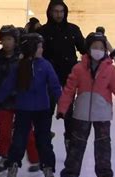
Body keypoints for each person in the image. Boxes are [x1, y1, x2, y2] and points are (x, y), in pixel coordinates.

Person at [57, 32, 115, 177]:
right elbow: (69, 90)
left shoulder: (110, 70)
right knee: (76, 145)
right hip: (81, 113)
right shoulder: (78, 68)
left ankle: (105, 175)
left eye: (101, 47)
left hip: (102, 114)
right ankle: (70, 172)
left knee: (103, 146)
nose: (98, 50)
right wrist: (62, 108)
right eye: (94, 47)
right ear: (88, 49)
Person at [0, 33, 61, 177]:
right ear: (31, 48)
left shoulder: (45, 65)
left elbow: (54, 86)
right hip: (23, 109)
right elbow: (8, 85)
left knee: (43, 139)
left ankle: (48, 166)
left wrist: (63, 104)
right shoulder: (18, 66)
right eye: (39, 47)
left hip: (42, 109)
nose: (42, 49)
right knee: (19, 138)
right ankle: (13, 164)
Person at [0, 25, 41, 173]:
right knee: (4, 132)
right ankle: (5, 155)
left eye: (10, 39)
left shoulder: (23, 58)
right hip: (4, 102)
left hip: (22, 101)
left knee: (27, 132)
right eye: (4, 39)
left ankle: (35, 158)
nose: (7, 42)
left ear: (16, 41)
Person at [37, 0, 86, 151]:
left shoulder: (73, 29)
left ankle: (69, 140)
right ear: (50, 12)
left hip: (68, 76)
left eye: (61, 11)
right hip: (48, 77)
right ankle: (44, 141)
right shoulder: (43, 32)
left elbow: (84, 49)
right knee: (46, 110)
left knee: (69, 111)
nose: (58, 14)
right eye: (55, 11)